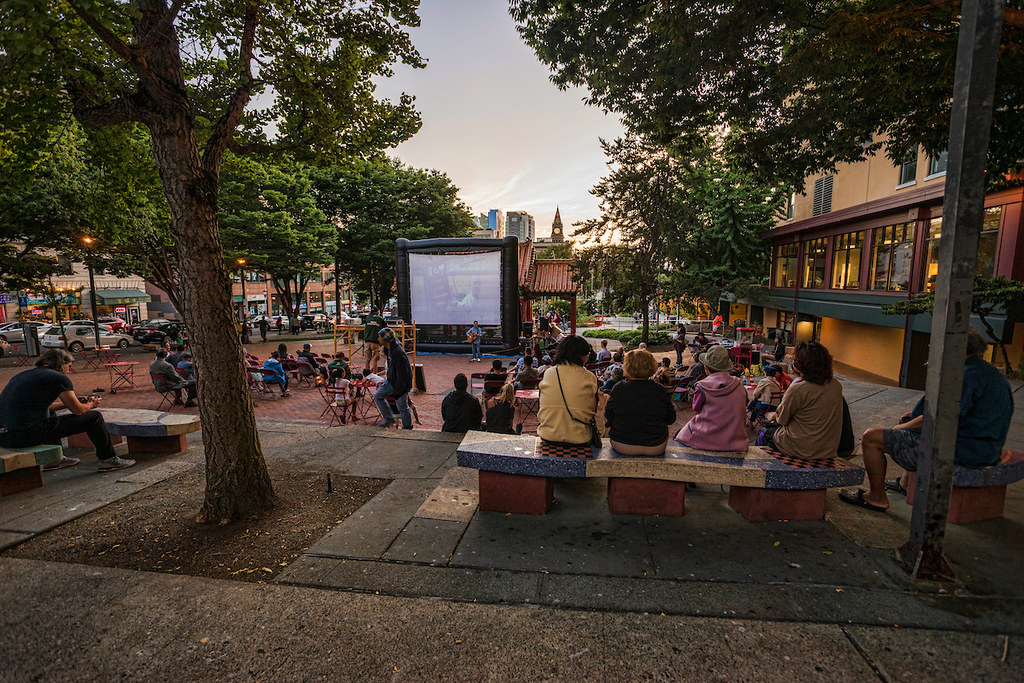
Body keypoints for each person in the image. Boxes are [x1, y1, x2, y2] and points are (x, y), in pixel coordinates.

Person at [841, 328, 1014, 513]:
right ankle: (906, 483)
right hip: (987, 449)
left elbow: (936, 418)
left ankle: (877, 497)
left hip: (965, 452)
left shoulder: (963, 376)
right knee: (911, 424)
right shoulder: (991, 373)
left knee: (872, 437)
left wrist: (900, 427)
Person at [0, 350, 134, 472]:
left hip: (7, 436)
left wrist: (68, 403)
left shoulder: (23, 375)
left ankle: (55, 459)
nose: (69, 371)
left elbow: (43, 407)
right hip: (26, 435)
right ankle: (108, 459)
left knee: (50, 415)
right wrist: (91, 404)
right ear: (62, 364)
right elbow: (78, 411)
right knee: (94, 418)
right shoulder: (58, 378)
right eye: (69, 366)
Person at [758, 341, 844, 460]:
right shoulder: (835, 385)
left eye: (794, 359)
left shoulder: (798, 389)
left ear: (801, 364)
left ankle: (763, 470)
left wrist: (770, 415)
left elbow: (782, 419)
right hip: (828, 448)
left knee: (763, 434)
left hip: (801, 448)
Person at [675, 344, 748, 452]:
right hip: (736, 440)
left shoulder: (702, 386)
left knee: (679, 436)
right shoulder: (739, 385)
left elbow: (697, 411)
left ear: (706, 367)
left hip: (705, 438)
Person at [605, 349, 677, 455]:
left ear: (628, 366)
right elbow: (670, 419)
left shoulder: (619, 388)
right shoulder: (660, 390)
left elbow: (608, 415)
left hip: (621, 444)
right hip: (656, 446)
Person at [537, 335, 599, 447]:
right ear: (582, 355)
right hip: (580, 438)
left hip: (548, 435)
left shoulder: (549, 373)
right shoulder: (589, 377)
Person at [374, 327, 413, 429]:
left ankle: (407, 427)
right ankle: (389, 418)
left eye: (379, 337)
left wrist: (399, 390)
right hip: (391, 380)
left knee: (402, 407)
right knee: (378, 396)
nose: (378, 339)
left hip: (399, 384)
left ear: (385, 339)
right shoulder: (390, 349)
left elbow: (403, 373)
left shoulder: (398, 352)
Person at [363, 308, 385, 374]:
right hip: (375, 341)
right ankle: (374, 373)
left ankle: (367, 374)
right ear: (377, 312)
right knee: (375, 359)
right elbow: (386, 326)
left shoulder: (367, 318)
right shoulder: (380, 319)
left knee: (367, 359)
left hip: (367, 341)